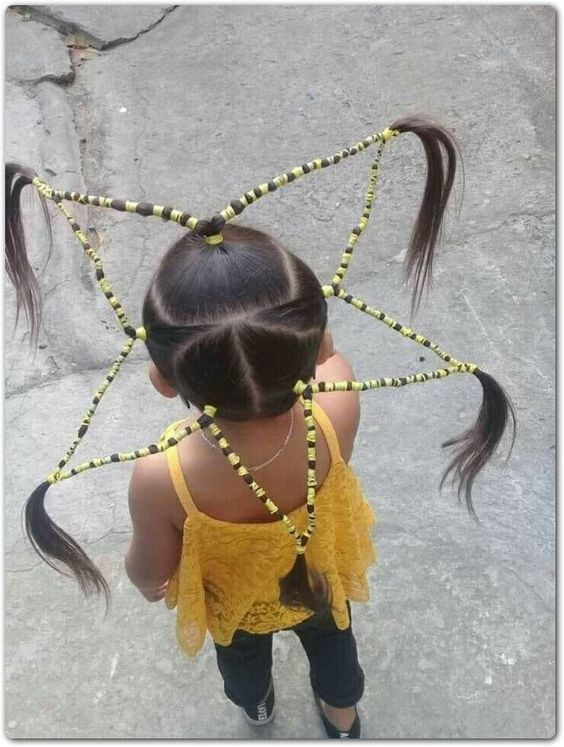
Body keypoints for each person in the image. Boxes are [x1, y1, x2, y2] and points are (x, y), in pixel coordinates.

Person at [5, 117, 515, 738]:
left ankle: (258, 708)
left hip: (234, 602)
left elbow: (149, 571)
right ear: (321, 341)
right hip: (321, 576)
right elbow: (326, 361)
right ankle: (341, 715)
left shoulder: (162, 476)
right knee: (335, 647)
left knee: (242, 664)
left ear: (165, 381)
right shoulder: (338, 409)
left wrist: (150, 584)